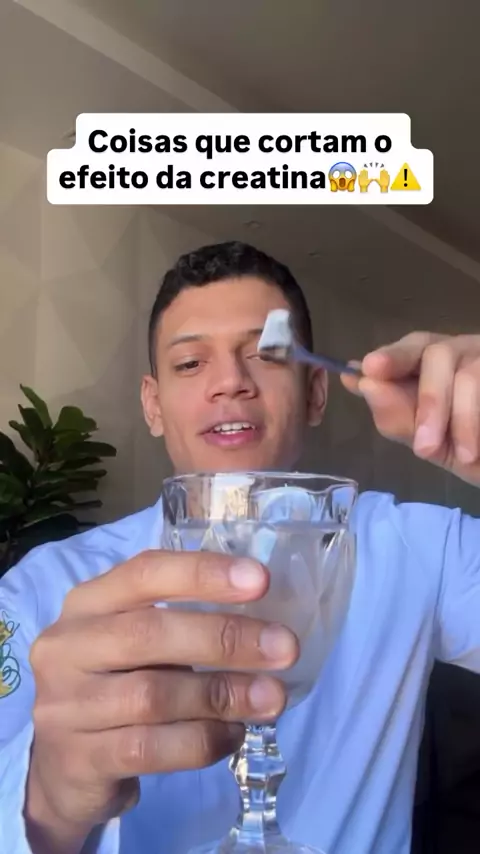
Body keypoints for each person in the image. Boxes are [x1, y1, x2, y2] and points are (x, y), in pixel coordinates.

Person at [0, 240, 479, 854]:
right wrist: (45, 801)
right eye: (190, 363)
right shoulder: (46, 587)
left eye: (264, 354)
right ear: (153, 405)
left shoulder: (418, 547)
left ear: (316, 393)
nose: (230, 382)